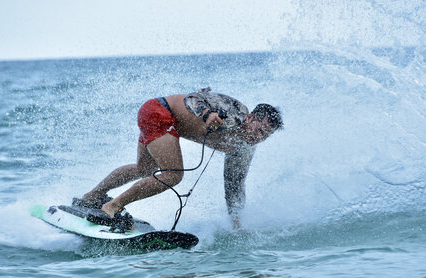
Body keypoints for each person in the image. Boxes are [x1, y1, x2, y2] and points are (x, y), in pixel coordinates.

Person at [79, 87, 283, 229]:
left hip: (167, 124)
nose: (259, 137)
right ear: (250, 118)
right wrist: (206, 114)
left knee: (144, 169)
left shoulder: (243, 148)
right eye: (259, 130)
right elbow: (193, 98)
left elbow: (234, 185)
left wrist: (236, 222)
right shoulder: (235, 112)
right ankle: (112, 206)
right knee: (173, 174)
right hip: (159, 112)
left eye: (265, 136)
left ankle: (92, 196)